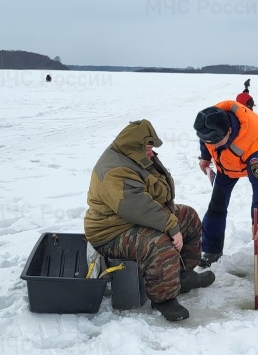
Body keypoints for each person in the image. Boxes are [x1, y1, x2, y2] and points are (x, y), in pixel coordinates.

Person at [84, 119, 214, 321]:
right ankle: (164, 298)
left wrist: (172, 218)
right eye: (148, 148)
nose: (151, 152)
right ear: (135, 146)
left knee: (188, 217)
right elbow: (137, 207)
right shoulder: (115, 170)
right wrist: (170, 225)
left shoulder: (135, 156)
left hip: (133, 219)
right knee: (158, 244)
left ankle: (182, 275)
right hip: (111, 232)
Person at [193, 101, 258, 283]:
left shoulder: (254, 144)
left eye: (216, 142)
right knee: (216, 206)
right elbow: (206, 140)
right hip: (226, 166)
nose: (214, 145)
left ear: (228, 131)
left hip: (254, 162)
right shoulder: (209, 121)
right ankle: (211, 250)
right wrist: (205, 156)